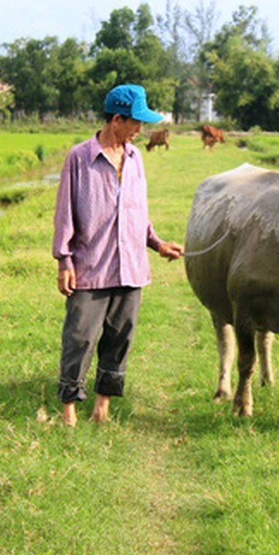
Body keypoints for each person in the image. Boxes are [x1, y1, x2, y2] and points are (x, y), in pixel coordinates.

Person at [52, 84, 183, 426]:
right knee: (80, 337)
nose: (141, 130)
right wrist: (64, 261)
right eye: (136, 122)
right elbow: (65, 213)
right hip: (90, 267)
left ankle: (102, 408)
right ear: (116, 120)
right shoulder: (79, 158)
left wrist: (156, 243)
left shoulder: (136, 158)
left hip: (130, 267)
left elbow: (138, 211)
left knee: (120, 338)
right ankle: (68, 411)